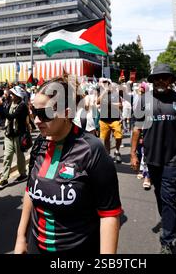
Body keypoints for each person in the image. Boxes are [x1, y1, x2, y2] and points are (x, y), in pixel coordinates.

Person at [14, 76, 122, 255]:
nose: (37, 120)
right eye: (34, 112)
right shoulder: (40, 143)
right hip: (36, 247)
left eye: (45, 114)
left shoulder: (92, 150)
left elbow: (109, 213)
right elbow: (30, 191)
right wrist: (21, 237)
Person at [130, 64, 176, 254]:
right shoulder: (144, 100)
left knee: (168, 196)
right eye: (157, 78)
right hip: (151, 156)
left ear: (170, 80)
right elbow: (136, 129)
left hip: (173, 157)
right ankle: (168, 220)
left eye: (164, 77)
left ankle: (167, 240)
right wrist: (134, 154)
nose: (160, 81)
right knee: (159, 193)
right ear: (152, 81)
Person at [0, 86, 29, 190]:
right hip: (8, 134)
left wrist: (2, 106)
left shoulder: (22, 106)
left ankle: (23, 174)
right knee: (7, 156)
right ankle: (4, 178)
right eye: (11, 93)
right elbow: (3, 116)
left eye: (13, 94)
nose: (11, 95)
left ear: (18, 96)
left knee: (20, 157)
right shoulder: (10, 103)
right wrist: (1, 107)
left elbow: (11, 116)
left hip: (18, 135)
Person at [97, 80, 123, 163]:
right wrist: (104, 91)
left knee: (118, 136)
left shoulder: (115, 94)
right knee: (106, 139)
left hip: (115, 119)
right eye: (104, 84)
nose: (105, 86)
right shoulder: (102, 94)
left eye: (107, 84)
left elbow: (120, 105)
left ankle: (117, 151)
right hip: (104, 120)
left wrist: (110, 104)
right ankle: (108, 154)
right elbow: (98, 102)